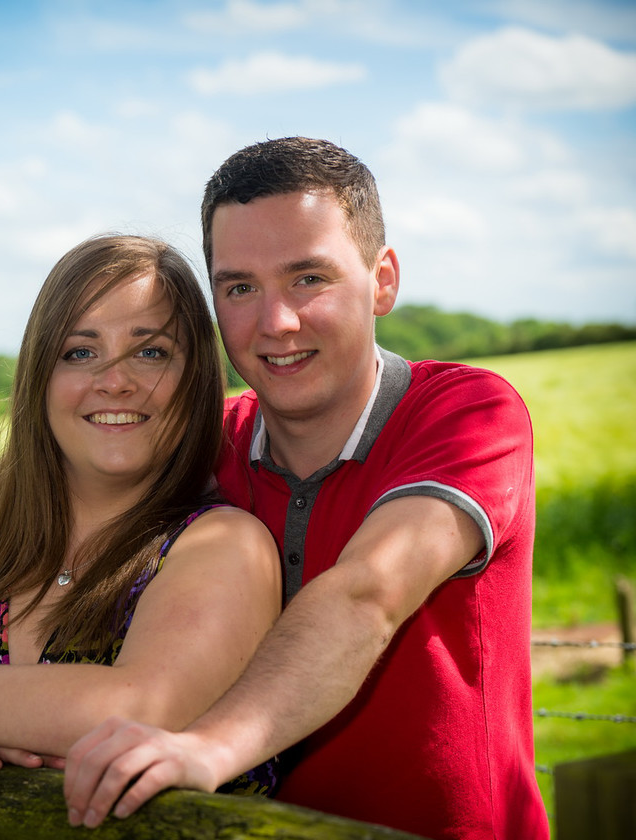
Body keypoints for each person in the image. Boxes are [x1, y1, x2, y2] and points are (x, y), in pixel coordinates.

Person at [61, 139, 550, 840]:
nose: (275, 323)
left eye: (308, 279)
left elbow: (367, 594)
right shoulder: (200, 446)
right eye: (239, 287)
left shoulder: (468, 412)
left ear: (382, 280)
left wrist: (207, 748)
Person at [0, 234, 281, 796]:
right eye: (79, 352)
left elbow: (136, 712)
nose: (114, 380)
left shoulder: (224, 544)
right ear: (40, 376)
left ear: (197, 377)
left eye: (151, 351)